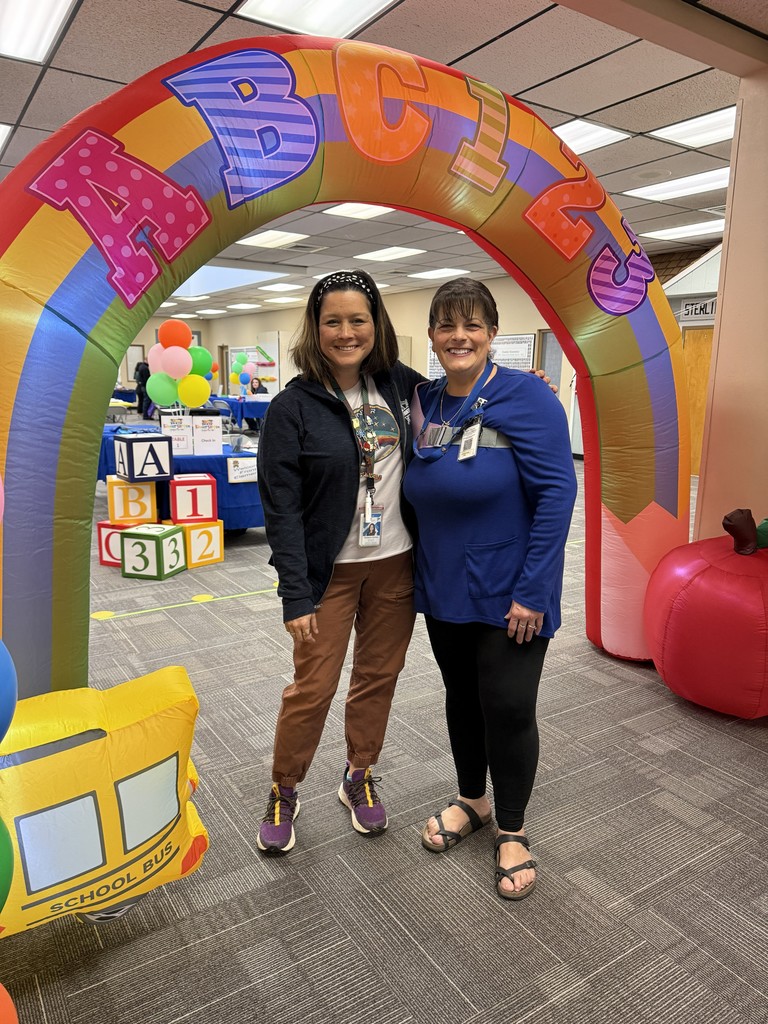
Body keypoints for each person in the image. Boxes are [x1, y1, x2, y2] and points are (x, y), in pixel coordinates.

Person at [403, 278, 577, 900]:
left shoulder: (527, 397)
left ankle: (512, 828)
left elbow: (558, 494)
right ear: (430, 336)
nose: (459, 336)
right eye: (447, 325)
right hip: (445, 584)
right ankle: (472, 799)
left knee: (506, 705)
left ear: (491, 333)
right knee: (461, 698)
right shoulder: (422, 402)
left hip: (512, 592)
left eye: (472, 325)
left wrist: (533, 590)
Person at [255, 270, 423, 854]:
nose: (347, 332)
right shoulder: (291, 408)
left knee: (378, 678)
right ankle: (284, 787)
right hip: (329, 574)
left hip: (395, 564)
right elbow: (281, 509)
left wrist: (511, 391)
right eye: (334, 321)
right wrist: (294, 593)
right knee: (313, 685)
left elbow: (460, 406)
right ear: (315, 327)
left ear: (376, 325)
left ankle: (359, 775)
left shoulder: (404, 387)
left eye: (359, 320)